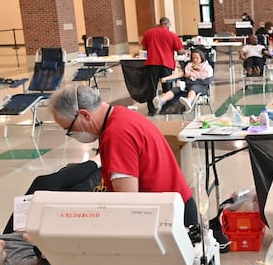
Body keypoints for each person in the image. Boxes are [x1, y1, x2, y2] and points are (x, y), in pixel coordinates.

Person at [48, 84, 199, 227]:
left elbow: (128, 203)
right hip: (173, 208)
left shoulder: (116, 134)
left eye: (70, 129)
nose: (73, 135)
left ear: (84, 115)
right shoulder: (120, 115)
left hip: (171, 218)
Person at [141, 17, 185, 115]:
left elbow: (144, 47)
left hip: (152, 63)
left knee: (152, 87)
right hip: (166, 64)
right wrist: (186, 50)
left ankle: (151, 110)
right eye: (169, 25)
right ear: (167, 24)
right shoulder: (172, 35)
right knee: (167, 88)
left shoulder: (149, 33)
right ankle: (166, 109)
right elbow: (180, 51)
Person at [153, 49, 214, 113]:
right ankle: (161, 100)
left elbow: (205, 75)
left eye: (197, 58)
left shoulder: (207, 67)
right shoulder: (189, 65)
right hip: (187, 85)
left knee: (193, 88)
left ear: (201, 58)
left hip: (201, 86)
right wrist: (166, 78)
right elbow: (181, 74)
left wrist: (192, 74)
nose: (195, 60)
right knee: (175, 89)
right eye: (193, 58)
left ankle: (189, 101)